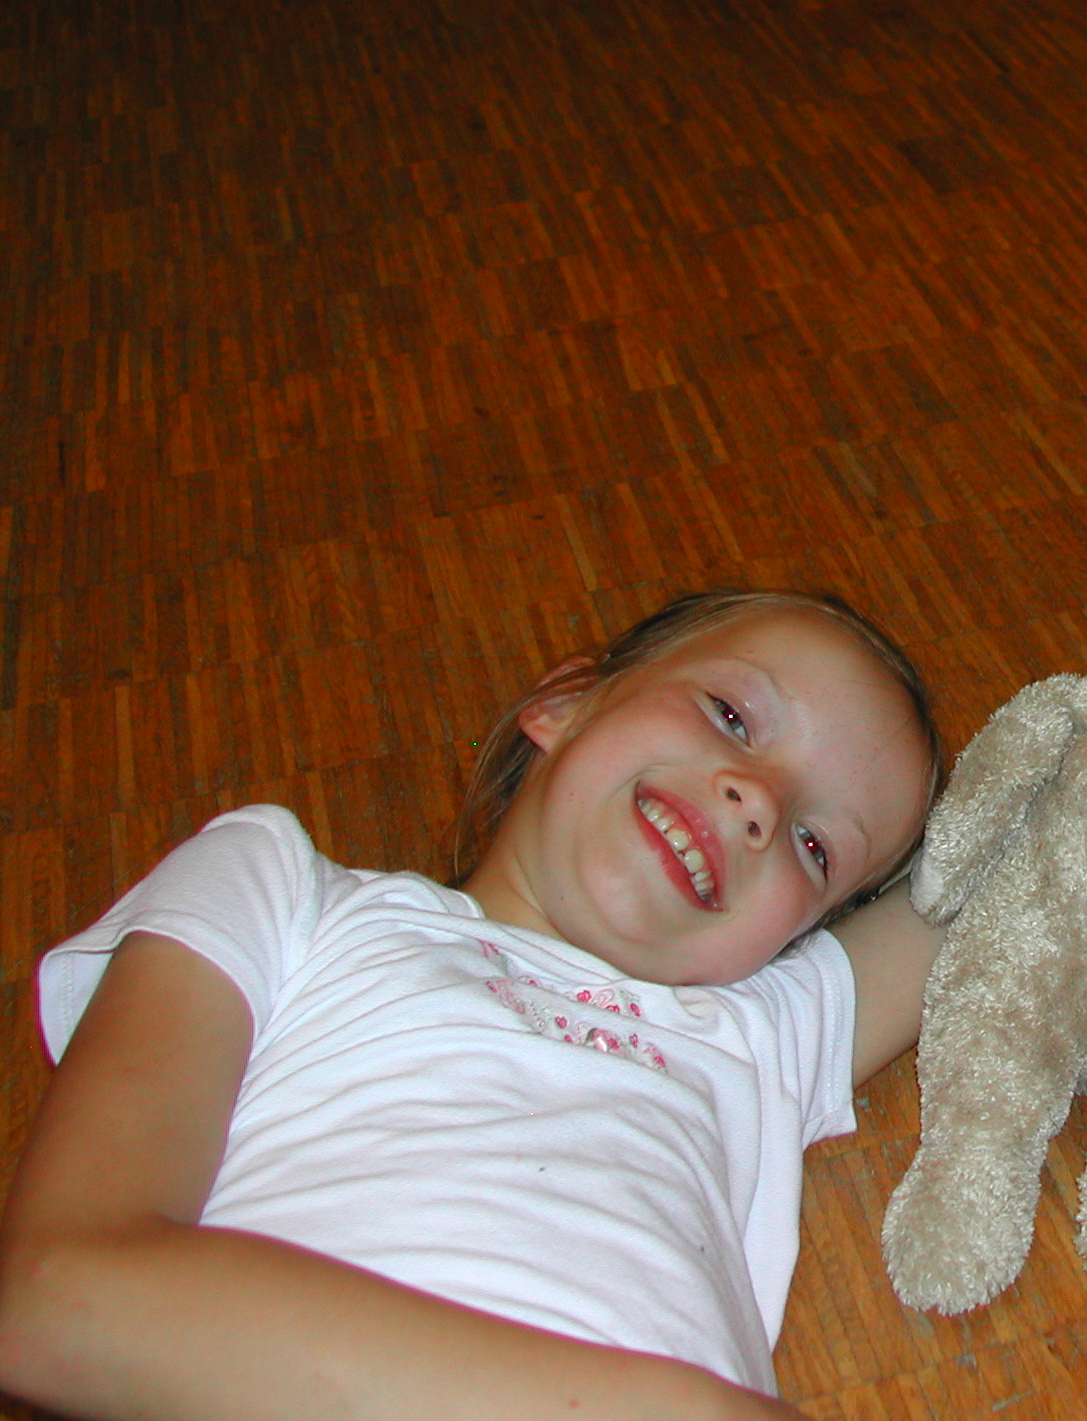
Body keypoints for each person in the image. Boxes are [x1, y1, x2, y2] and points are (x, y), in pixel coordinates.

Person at [0, 588, 945, 1421]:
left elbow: (1011, 872)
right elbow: (58, 1295)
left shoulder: (762, 1028)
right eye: (730, 715)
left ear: (792, 940)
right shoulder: (283, 889)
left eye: (817, 848)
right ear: (567, 701)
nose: (760, 803)